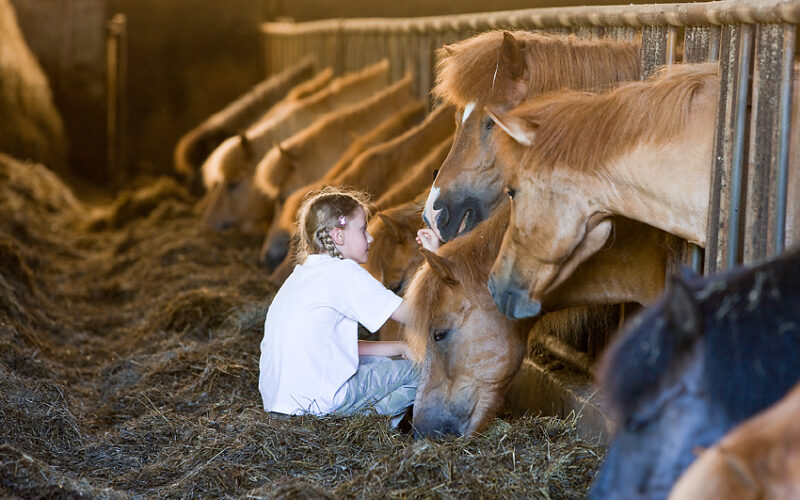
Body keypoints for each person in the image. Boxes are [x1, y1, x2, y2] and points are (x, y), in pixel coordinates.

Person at [258, 185, 440, 426]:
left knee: (392, 362)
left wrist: (399, 346)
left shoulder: (300, 277)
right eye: (363, 229)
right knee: (424, 372)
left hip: (280, 404)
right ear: (339, 236)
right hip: (321, 402)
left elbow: (328, 347)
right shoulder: (344, 272)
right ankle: (374, 426)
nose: (370, 237)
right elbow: (418, 315)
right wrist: (435, 258)